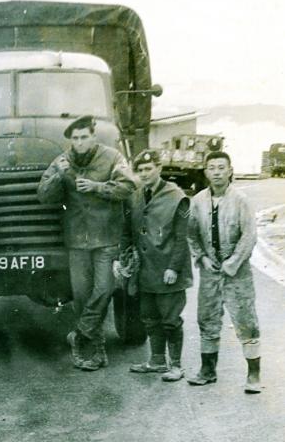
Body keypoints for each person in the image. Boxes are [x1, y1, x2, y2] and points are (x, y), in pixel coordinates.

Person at [38, 115, 134, 371]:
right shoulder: (62, 161)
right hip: (77, 240)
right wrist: (59, 176)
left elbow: (128, 186)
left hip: (106, 238)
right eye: (75, 138)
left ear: (94, 136)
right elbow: (44, 196)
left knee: (103, 290)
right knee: (81, 297)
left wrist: (96, 187)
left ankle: (80, 335)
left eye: (84, 137)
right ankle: (96, 349)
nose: (79, 142)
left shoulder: (112, 157)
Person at [187, 151, 261, 393]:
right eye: (212, 168)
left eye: (221, 167)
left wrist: (232, 264)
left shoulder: (241, 200)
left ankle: (253, 376)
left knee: (246, 321)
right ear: (206, 172)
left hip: (237, 273)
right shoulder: (197, 201)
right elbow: (192, 234)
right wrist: (202, 258)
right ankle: (208, 371)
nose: (216, 172)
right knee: (207, 319)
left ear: (230, 170)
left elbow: (249, 236)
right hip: (210, 271)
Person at [122, 149, 192, 382]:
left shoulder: (176, 196)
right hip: (145, 271)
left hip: (168, 270)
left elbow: (182, 238)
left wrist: (173, 268)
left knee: (170, 319)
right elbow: (128, 231)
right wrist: (123, 259)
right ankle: (157, 361)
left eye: (148, 169)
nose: (144, 173)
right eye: (140, 170)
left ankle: (176, 365)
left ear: (159, 169)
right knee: (149, 317)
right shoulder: (136, 196)